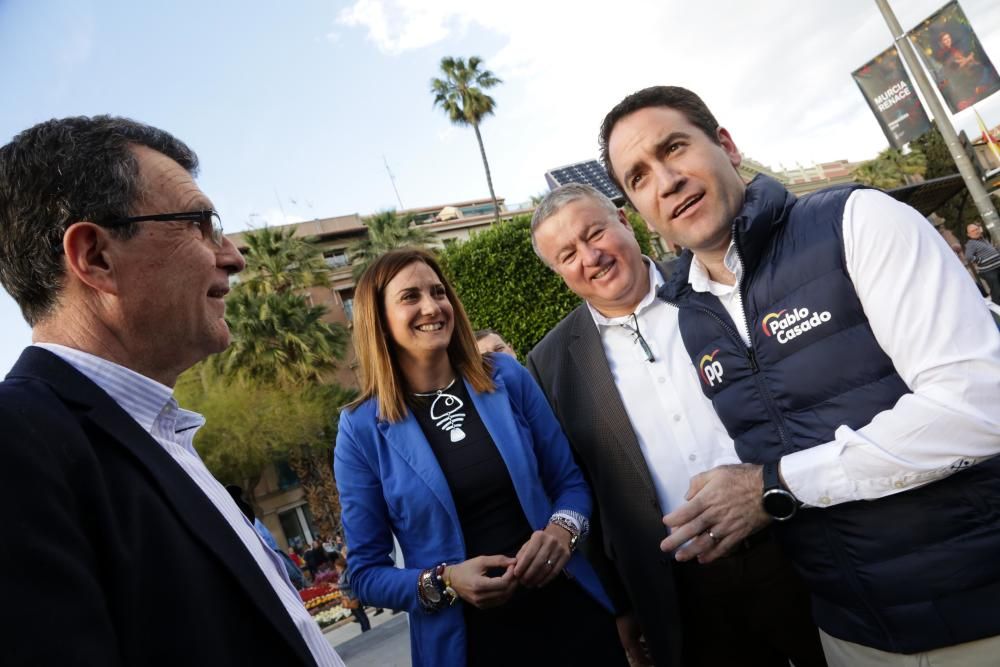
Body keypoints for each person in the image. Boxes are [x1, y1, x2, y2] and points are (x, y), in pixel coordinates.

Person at [600, 85, 1000, 665]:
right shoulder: (693, 317)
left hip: (980, 614)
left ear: (727, 145)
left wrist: (777, 484)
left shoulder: (857, 220)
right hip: (848, 635)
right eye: (639, 177)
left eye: (675, 149)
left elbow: (980, 407)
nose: (666, 181)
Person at [0, 116, 344, 665]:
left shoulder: (157, 435)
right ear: (96, 257)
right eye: (201, 224)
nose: (233, 256)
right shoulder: (21, 446)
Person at [528, 183, 825, 667]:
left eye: (595, 233)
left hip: (789, 544)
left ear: (624, 222)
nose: (591, 256)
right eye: (568, 254)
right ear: (560, 272)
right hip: (681, 592)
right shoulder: (550, 362)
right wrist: (621, 605)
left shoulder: (712, 284)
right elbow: (578, 482)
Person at [333, 248, 627, 667]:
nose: (432, 306)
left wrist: (562, 532)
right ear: (377, 319)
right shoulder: (360, 428)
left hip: (572, 616)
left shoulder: (506, 378)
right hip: (469, 644)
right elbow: (364, 574)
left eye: (438, 292)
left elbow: (570, 483)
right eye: (410, 297)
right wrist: (446, 580)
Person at [965, 222, 1000, 305]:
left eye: (977, 229)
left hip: (997, 267)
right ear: (969, 234)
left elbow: (989, 251)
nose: (976, 232)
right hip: (988, 271)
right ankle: (997, 309)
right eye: (973, 231)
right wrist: (980, 260)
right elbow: (968, 256)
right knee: (997, 290)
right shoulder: (971, 244)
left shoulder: (983, 239)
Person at [333, 557, 371, 632]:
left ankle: (366, 628)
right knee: (356, 613)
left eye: (336, 566)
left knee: (360, 613)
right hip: (348, 597)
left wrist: (338, 586)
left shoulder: (347, 572)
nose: (336, 568)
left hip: (353, 596)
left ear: (340, 565)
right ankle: (364, 627)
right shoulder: (342, 573)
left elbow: (350, 584)